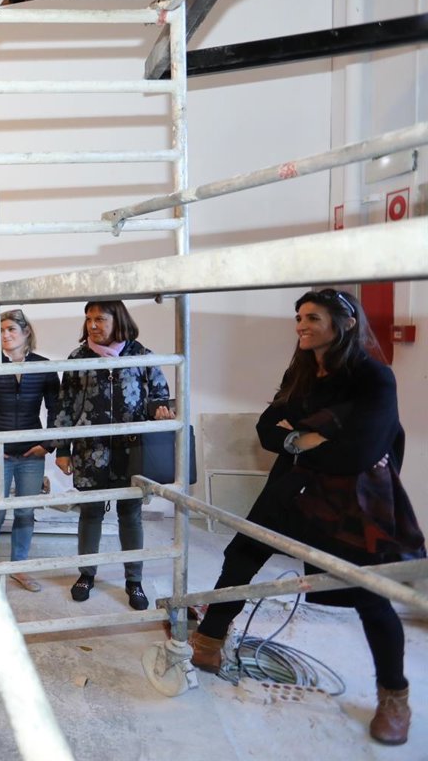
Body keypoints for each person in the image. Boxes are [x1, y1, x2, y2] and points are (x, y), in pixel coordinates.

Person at [189, 289, 423, 746]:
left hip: (350, 500)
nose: (301, 324)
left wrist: (302, 440)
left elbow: (361, 452)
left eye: (313, 317)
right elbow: (265, 429)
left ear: (346, 323)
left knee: (369, 593)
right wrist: (303, 441)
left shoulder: (374, 377)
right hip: (292, 486)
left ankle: (394, 695)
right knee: (241, 557)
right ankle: (209, 640)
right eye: (299, 316)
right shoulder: (300, 371)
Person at [54, 300, 174, 610]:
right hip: (89, 450)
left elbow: (160, 396)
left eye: (100, 319)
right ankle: (86, 575)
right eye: (89, 319)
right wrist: (63, 449)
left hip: (131, 451)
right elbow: (65, 405)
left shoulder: (142, 355)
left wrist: (160, 412)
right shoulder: (78, 358)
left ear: (118, 319)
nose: (93, 325)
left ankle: (134, 581)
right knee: (90, 514)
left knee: (130, 515)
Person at [0, 309, 60, 592]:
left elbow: (56, 408)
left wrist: (47, 445)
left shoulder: (43, 366)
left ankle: (19, 568)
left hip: (32, 454)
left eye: (11, 329)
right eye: (1, 330)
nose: (5, 335)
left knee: (25, 513)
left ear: (26, 332)